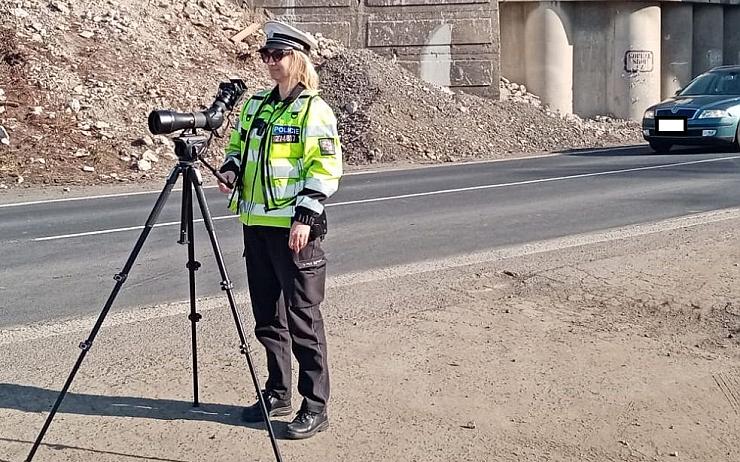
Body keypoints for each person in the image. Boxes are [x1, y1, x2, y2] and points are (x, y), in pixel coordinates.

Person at [217, 20, 342, 440]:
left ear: (298, 59)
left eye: (278, 55)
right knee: (268, 317)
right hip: (256, 226)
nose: (270, 62)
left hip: (294, 230)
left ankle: (315, 405)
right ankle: (277, 392)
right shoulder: (255, 105)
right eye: (265, 55)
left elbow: (324, 169)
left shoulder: (314, 110)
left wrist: (305, 218)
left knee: (303, 317)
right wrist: (231, 168)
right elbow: (237, 147)